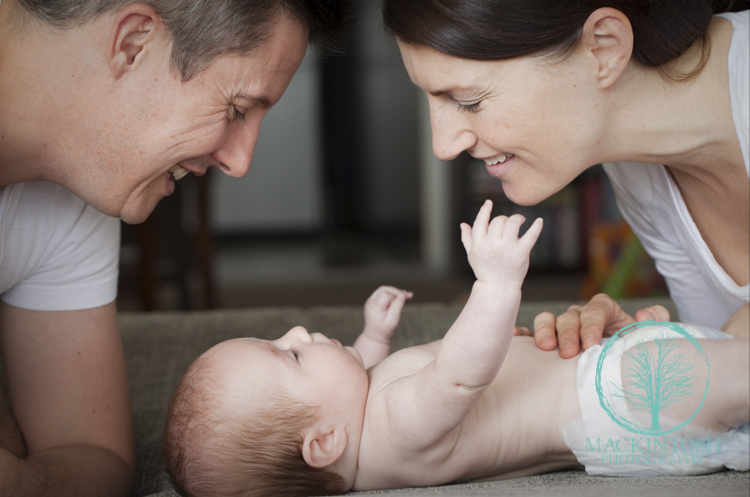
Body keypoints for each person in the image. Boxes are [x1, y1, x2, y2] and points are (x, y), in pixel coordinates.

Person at [163, 200, 749, 497]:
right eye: (288, 356)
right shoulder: (396, 429)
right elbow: (456, 377)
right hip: (618, 392)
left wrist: (373, 336)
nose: (295, 334)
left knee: (741, 326)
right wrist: (494, 289)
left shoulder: (362, 423)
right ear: (323, 444)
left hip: (614, 382)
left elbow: (354, 380)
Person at [0, 0, 350, 495]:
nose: (240, 161)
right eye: (236, 109)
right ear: (134, 42)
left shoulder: (70, 182)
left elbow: (92, 456)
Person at [381, 0, 750, 358]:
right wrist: (638, 351)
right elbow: (726, 372)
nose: (443, 147)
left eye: (469, 100)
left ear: (603, 47)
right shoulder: (639, 167)